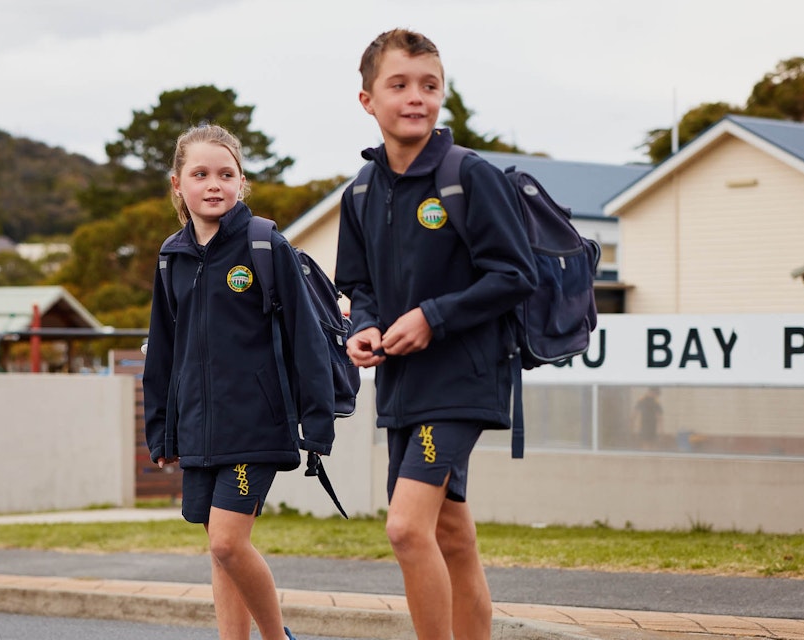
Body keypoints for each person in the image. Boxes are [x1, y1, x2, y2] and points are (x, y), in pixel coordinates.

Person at [334, 29, 538, 640]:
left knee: (404, 528)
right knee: (450, 533)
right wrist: (363, 328)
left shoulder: (469, 176)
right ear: (368, 99)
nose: (416, 97)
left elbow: (516, 274)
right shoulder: (360, 194)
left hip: (463, 378)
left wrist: (433, 317)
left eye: (429, 85)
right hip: (402, 385)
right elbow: (358, 286)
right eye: (399, 84)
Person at [143, 124, 335, 640]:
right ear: (177, 185)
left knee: (228, 543)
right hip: (199, 428)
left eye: (226, 174)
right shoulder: (171, 257)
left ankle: (278, 639)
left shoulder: (264, 244)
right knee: (219, 549)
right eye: (200, 173)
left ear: (242, 182)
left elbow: (307, 339)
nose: (214, 184)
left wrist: (317, 424)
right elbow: (163, 352)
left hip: (256, 424)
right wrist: (161, 431)